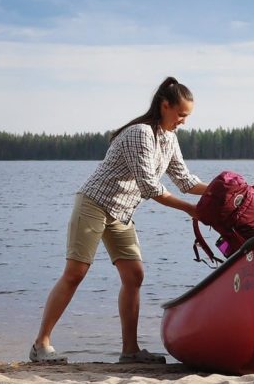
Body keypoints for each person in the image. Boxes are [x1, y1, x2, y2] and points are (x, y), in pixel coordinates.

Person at [30, 77, 208, 364]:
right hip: (94, 203)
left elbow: (185, 180)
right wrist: (190, 210)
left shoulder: (169, 139)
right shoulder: (140, 134)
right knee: (75, 272)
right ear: (165, 106)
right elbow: (150, 187)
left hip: (122, 213)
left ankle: (130, 351)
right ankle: (41, 344)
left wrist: (227, 190)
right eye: (181, 115)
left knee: (134, 275)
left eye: (187, 116)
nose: (183, 122)